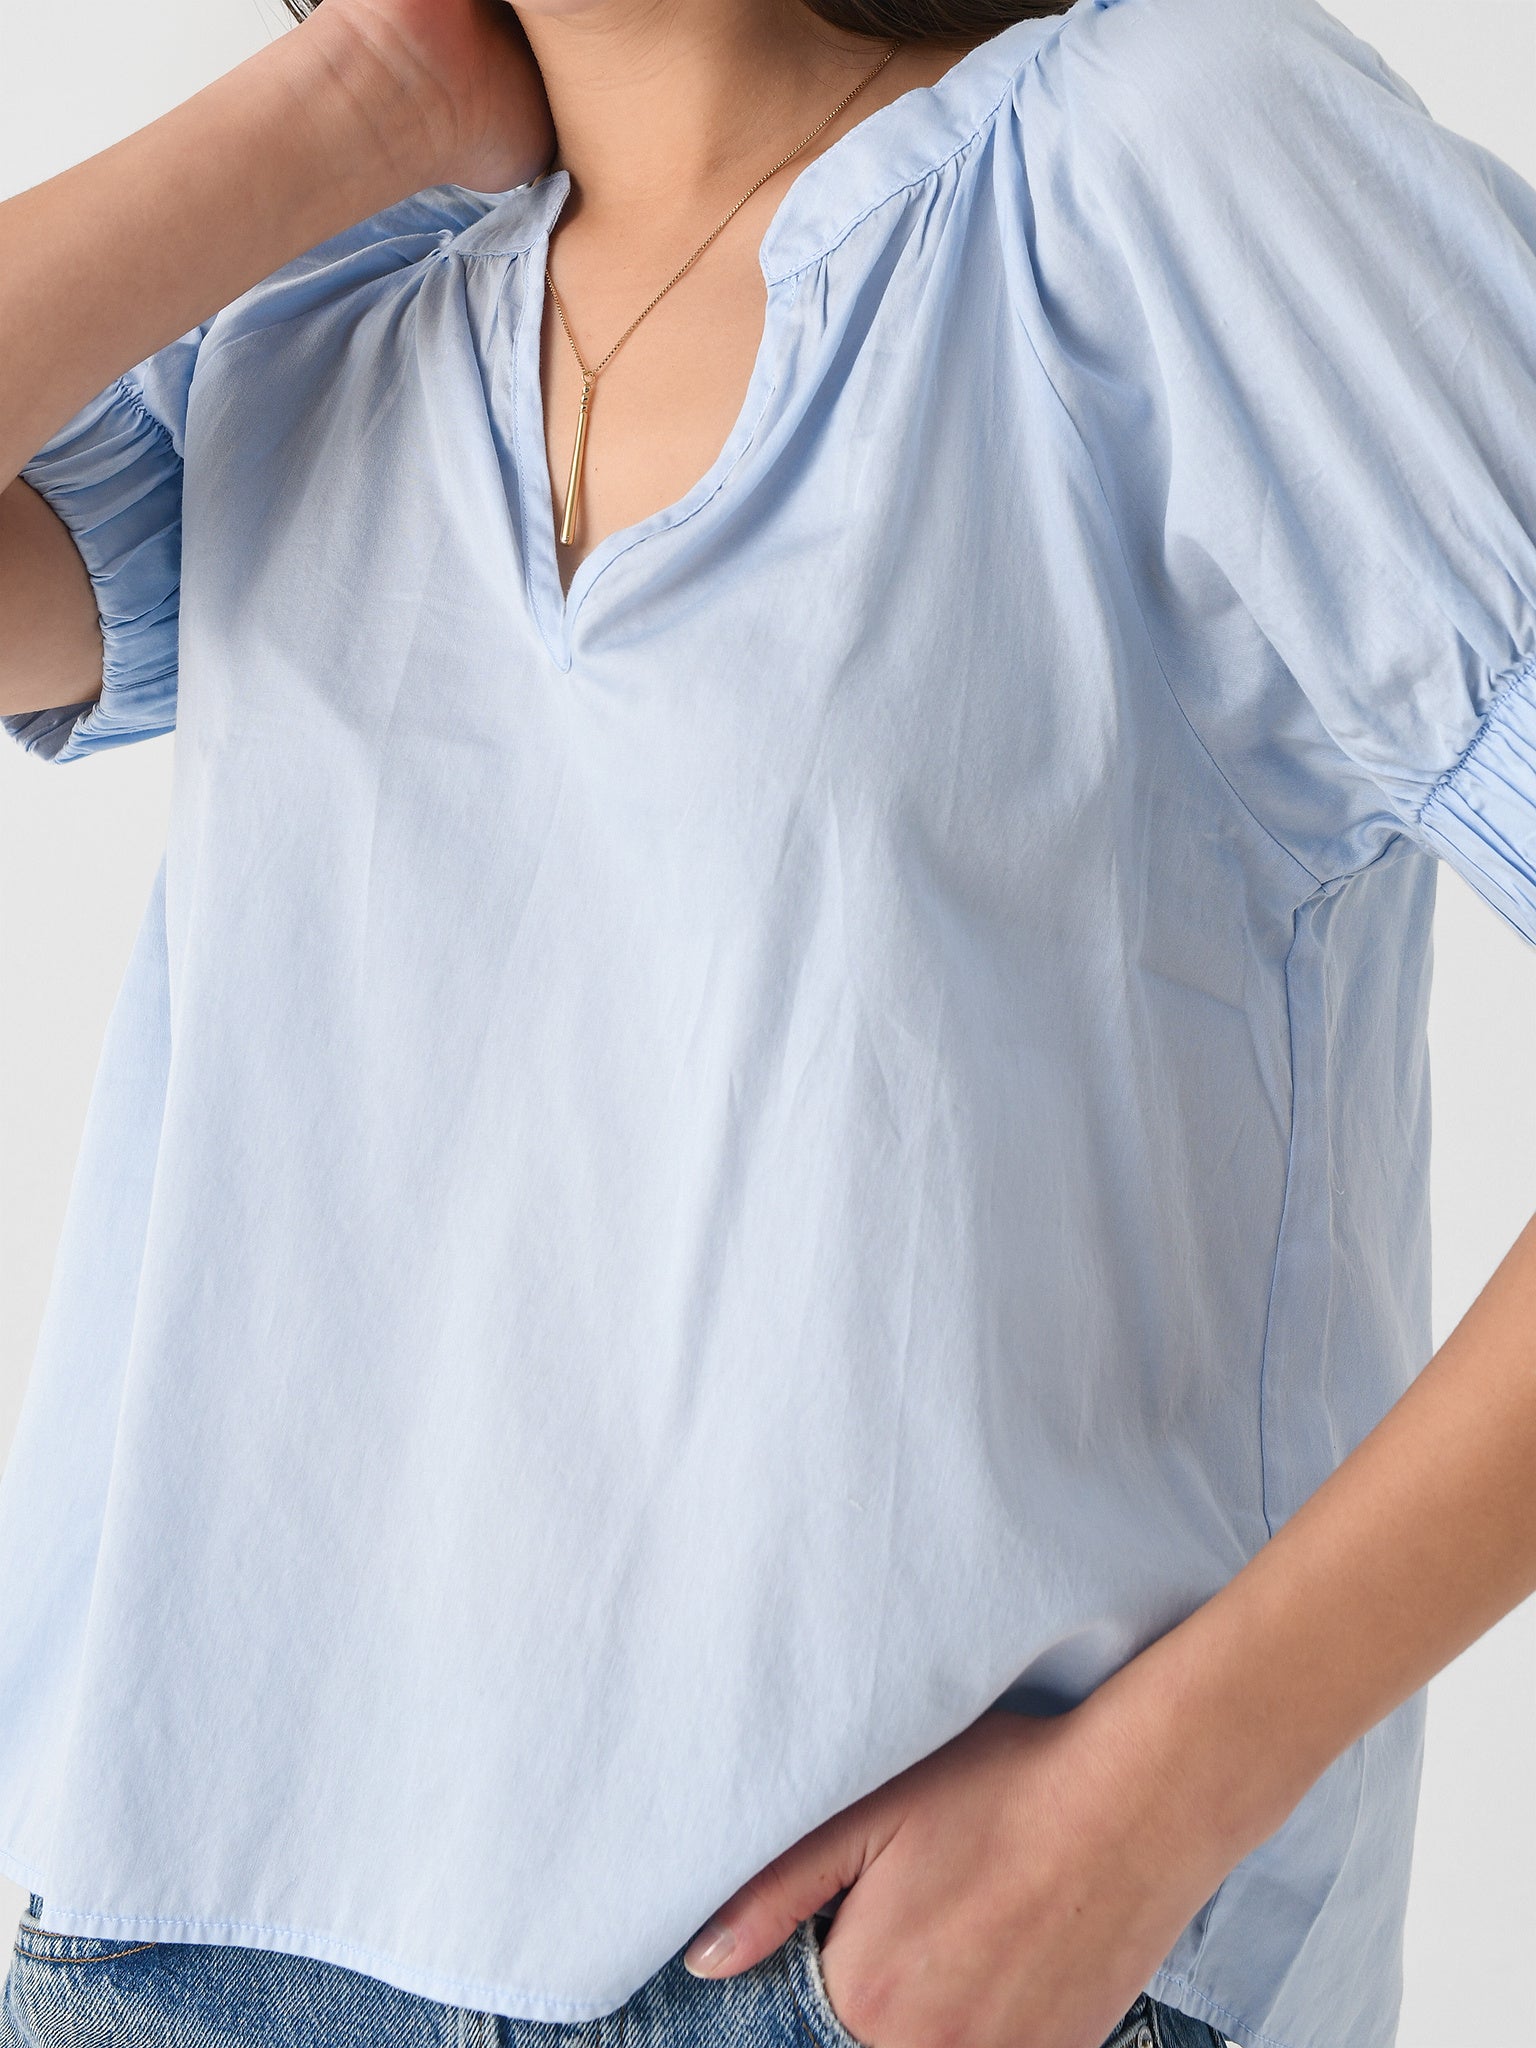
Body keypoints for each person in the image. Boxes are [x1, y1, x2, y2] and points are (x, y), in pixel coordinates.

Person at [0, 0, 1534, 2043]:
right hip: (175, 1940)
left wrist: (1162, 1797)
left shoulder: (1162, 168)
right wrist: (362, 94)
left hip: (884, 1965)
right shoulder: (330, 303)